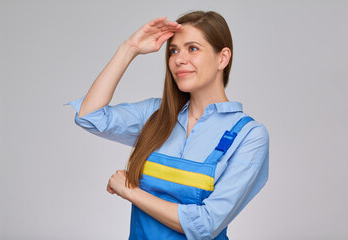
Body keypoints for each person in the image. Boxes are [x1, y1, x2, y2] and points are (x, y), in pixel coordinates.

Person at [65, 10, 269, 240]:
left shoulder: (249, 136)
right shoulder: (157, 115)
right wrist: (128, 49)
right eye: (173, 51)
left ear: (222, 58)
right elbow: (89, 116)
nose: (179, 59)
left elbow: (205, 225)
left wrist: (131, 191)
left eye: (192, 48)